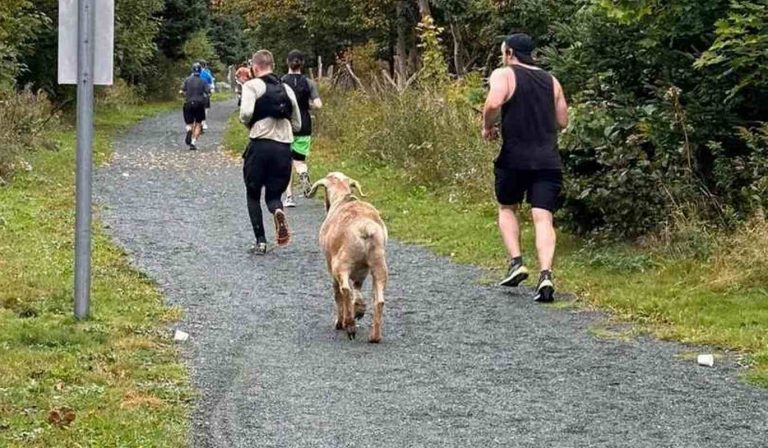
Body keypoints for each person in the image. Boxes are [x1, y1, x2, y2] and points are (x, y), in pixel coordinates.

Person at [481, 33, 569, 302]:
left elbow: (494, 102)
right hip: (548, 160)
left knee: (507, 207)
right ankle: (546, 275)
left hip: (514, 158)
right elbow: (563, 121)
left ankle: (517, 261)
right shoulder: (551, 81)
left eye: (502, 52)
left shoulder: (504, 74)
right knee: (543, 217)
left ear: (509, 53)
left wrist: (488, 126)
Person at [239, 50, 302, 255]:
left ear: (255, 67)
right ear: (273, 65)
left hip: (260, 146)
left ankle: (261, 242)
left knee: (253, 194)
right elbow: (298, 124)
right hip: (283, 148)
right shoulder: (286, 89)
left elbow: (246, 113)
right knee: (274, 195)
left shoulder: (252, 86)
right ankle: (277, 210)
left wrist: (251, 122)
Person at [281, 50, 323, 208]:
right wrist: (307, 105)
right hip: (304, 125)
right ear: (302, 64)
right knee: (299, 160)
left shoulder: (281, 82)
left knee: (285, 163)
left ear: (287, 62)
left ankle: (289, 197)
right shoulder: (309, 83)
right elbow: (319, 105)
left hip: (286, 126)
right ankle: (303, 173)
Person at [180, 63, 210, 150]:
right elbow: (208, 91)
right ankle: (193, 142)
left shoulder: (187, 80)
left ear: (192, 70)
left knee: (189, 122)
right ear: (200, 71)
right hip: (199, 103)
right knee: (198, 123)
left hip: (188, 103)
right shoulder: (203, 81)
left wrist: (185, 95)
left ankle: (189, 129)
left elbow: (181, 91)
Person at [199, 61, 215, 131]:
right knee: (205, 108)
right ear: (204, 66)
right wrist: (211, 91)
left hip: (194, 94)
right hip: (204, 94)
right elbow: (211, 84)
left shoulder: (193, 74)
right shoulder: (207, 74)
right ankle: (203, 122)